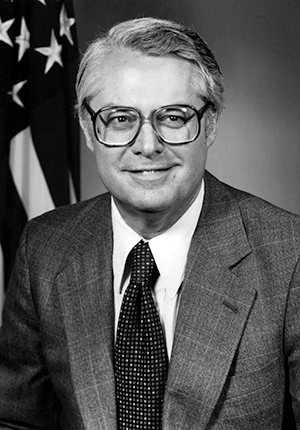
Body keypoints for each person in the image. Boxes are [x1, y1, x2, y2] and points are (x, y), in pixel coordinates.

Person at [0, 16, 299, 430]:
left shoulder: (290, 256)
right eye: (121, 118)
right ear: (89, 129)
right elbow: (16, 421)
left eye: (173, 117)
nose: (147, 145)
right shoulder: (45, 247)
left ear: (209, 125)